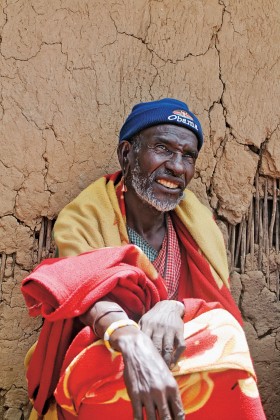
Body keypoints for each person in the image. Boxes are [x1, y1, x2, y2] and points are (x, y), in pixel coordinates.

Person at [22, 99, 266, 420]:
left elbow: (216, 311)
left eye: (188, 156)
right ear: (127, 154)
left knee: (224, 332)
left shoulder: (200, 226)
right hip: (113, 352)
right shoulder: (86, 218)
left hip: (179, 355)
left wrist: (174, 307)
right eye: (163, 149)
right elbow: (82, 293)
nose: (177, 167)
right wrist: (132, 340)